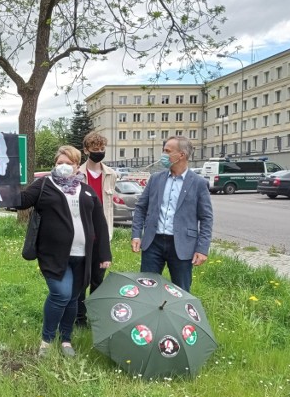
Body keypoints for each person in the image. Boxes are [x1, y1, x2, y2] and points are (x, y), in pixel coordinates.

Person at [20, 145, 112, 357]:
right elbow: (22, 201)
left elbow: (99, 223)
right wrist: (1, 187)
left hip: (82, 256)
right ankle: (47, 340)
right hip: (54, 255)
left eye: (68, 163)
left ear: (76, 165)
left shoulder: (86, 190)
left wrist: (104, 254)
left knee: (72, 299)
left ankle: (66, 340)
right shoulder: (44, 185)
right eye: (59, 163)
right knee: (61, 294)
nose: (63, 167)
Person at [131, 135, 213, 292]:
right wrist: (136, 235)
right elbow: (141, 207)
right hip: (153, 243)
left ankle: (181, 317)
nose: (163, 155)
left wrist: (202, 248)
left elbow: (206, 218)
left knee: (181, 291)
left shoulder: (198, 183)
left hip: (182, 245)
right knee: (147, 288)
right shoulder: (155, 179)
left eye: (167, 151)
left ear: (181, 155)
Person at [75, 131, 117, 326]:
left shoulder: (111, 175)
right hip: (82, 233)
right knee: (81, 279)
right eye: (95, 149)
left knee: (98, 279)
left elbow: (109, 206)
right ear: (86, 150)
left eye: (102, 149)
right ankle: (79, 318)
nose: (99, 152)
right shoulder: (77, 175)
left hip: (102, 235)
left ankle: (96, 318)